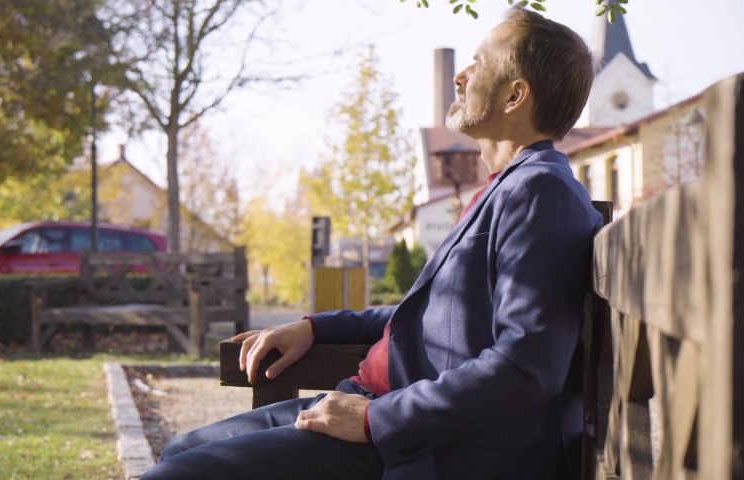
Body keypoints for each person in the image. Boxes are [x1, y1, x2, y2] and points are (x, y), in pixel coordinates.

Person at [141, 6, 602, 480]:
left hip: (417, 443)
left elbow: (526, 368)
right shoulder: (510, 186)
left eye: (479, 63)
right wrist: (316, 328)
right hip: (364, 404)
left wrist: (373, 420)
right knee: (178, 451)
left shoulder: (541, 192)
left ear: (514, 95)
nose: (461, 77)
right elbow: (438, 312)